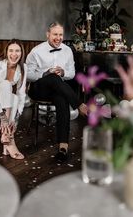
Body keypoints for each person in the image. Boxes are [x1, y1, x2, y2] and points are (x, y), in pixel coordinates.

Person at [26, 22, 87, 163]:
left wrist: (64, 72)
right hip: (38, 89)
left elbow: (71, 74)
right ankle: (80, 105)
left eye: (60, 35)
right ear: (48, 34)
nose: (58, 38)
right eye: (55, 34)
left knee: (62, 98)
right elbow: (28, 74)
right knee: (52, 77)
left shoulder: (67, 50)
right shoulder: (36, 51)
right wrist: (45, 73)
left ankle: (63, 147)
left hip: (57, 89)